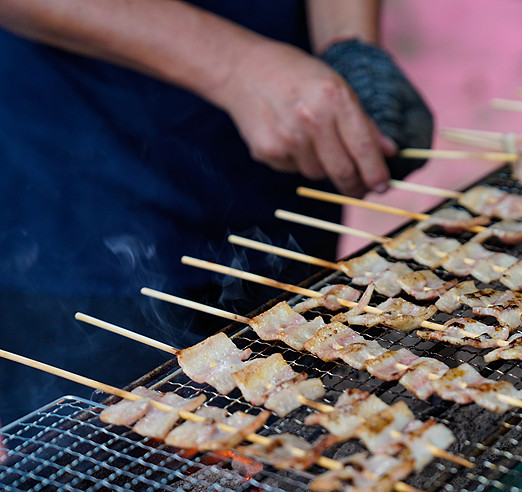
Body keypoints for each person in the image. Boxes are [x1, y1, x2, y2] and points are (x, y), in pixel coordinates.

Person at [0, 0, 433, 424]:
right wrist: (236, 66)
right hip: (83, 192)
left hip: (285, 160)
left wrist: (348, 51)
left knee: (302, 424)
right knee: (102, 462)